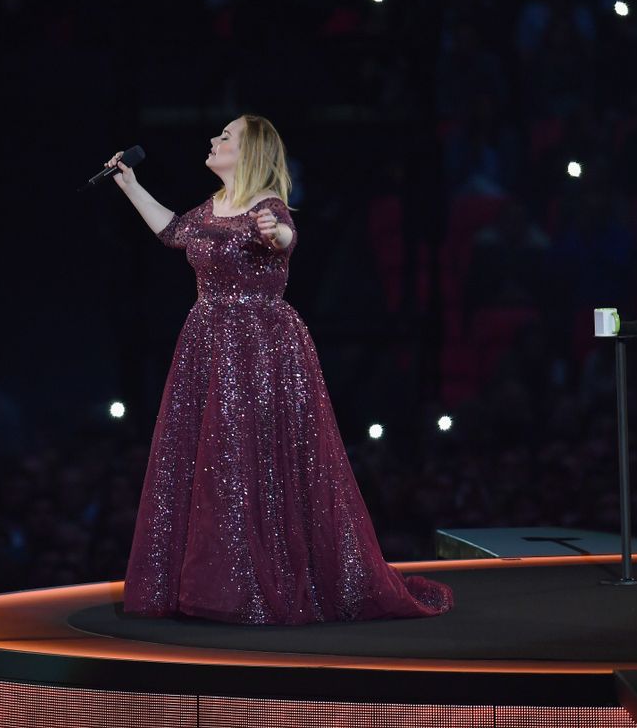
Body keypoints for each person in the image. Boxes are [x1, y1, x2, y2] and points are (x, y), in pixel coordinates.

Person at [111, 114, 453, 625]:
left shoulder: (266, 205)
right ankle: (217, 582)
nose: (213, 140)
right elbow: (175, 232)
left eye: (224, 136)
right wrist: (131, 186)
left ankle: (258, 584)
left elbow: (284, 237)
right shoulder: (212, 207)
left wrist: (278, 235)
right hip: (208, 344)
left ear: (250, 152)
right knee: (211, 460)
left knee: (255, 460)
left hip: (260, 349)